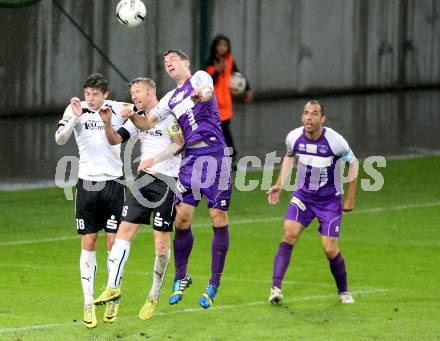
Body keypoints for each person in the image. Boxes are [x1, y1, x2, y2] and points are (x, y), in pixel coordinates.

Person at [96, 49, 232, 309]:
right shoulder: (170, 98)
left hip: (215, 156)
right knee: (181, 218)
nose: (168, 64)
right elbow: (147, 123)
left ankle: (214, 281)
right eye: (165, 63)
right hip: (191, 159)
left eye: (172, 61)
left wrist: (199, 95)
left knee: (218, 218)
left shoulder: (201, 77)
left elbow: (208, 93)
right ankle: (181, 276)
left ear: (186, 63)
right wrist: (132, 117)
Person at [93, 77, 184, 320]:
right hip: (143, 180)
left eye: (138, 91)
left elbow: (179, 144)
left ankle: (153, 296)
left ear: (151, 92)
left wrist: (155, 160)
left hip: (166, 181)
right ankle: (113, 287)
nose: (134, 96)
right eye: (132, 92)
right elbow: (116, 139)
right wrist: (107, 123)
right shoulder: (138, 116)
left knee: (161, 244)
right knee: (124, 233)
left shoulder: (168, 115)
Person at [55, 73, 129, 328]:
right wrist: (75, 116)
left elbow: (140, 113)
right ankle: (88, 302)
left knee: (114, 243)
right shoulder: (76, 109)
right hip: (87, 183)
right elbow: (60, 138)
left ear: (106, 94)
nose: (91, 98)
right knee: (89, 241)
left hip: (114, 183)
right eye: (88, 93)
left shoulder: (117, 109)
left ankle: (112, 294)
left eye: (95, 94)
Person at [267, 100, 358, 305]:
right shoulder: (294, 137)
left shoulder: (335, 142)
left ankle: (343, 291)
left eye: (314, 114)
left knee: (329, 249)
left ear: (322, 119)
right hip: (303, 197)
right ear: (302, 117)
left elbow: (353, 163)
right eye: (306, 113)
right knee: (288, 234)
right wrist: (279, 184)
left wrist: (350, 197)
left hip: (329, 201)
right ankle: (275, 288)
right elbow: (289, 156)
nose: (309, 117)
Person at [206, 34, 253, 168]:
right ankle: (228, 157)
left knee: (224, 133)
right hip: (213, 105)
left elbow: (239, 75)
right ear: (215, 46)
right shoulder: (210, 61)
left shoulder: (229, 61)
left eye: (225, 45)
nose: (222, 48)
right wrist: (217, 71)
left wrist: (248, 89)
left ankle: (230, 158)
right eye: (219, 45)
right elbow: (208, 82)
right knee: (219, 134)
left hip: (226, 105)